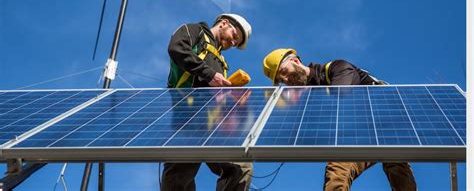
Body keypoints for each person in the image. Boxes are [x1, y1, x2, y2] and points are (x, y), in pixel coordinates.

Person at [262, 48, 417, 191]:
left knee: (396, 165)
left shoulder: (337, 68)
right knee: (337, 170)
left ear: (295, 61)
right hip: (361, 134)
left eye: (284, 72)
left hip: (387, 120)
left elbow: (340, 97)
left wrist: (308, 105)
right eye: (281, 80)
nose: (286, 80)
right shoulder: (310, 95)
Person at [161, 14, 253, 191]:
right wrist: (209, 74)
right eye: (235, 36)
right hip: (186, 123)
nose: (234, 42)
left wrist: (233, 99)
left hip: (212, 128)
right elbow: (176, 48)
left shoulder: (222, 63)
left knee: (241, 166)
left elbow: (218, 98)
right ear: (224, 23)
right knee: (178, 179)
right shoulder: (195, 31)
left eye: (237, 41)